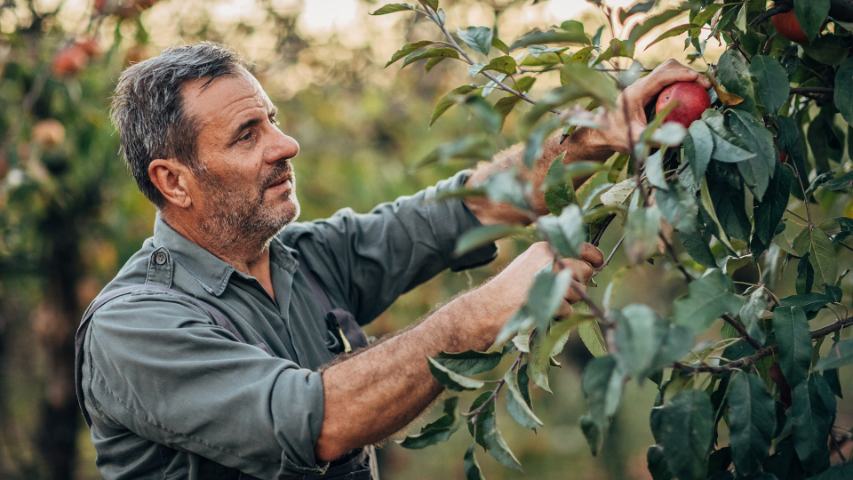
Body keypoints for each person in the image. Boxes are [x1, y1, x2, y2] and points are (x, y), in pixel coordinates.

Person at [74, 42, 711, 479]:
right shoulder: (134, 327)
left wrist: (601, 133)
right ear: (174, 181)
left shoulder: (300, 258)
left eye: (272, 120)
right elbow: (318, 422)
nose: (286, 144)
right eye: (248, 135)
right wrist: (482, 312)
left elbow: (470, 207)